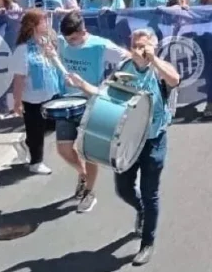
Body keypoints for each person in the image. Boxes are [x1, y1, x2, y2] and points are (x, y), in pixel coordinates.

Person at [66, 29, 180, 266]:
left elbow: (174, 80)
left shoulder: (160, 70)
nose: (138, 50)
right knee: (123, 189)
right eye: (135, 45)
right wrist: (83, 85)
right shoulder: (124, 69)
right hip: (127, 142)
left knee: (151, 194)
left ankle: (147, 243)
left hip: (153, 141)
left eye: (144, 45)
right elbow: (104, 96)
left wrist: (153, 59)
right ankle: (141, 211)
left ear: (153, 47)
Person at [57, 11, 131, 213]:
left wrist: (111, 84)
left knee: (88, 152)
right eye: (67, 39)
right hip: (66, 102)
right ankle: (82, 174)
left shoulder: (100, 45)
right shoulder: (62, 42)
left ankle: (89, 192)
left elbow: (128, 59)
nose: (69, 43)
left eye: (73, 39)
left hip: (90, 102)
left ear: (83, 31)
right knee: (63, 149)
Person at [9, 10, 65, 174]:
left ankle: (26, 144)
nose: (47, 24)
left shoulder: (45, 42)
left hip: (50, 93)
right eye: (43, 22)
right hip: (32, 98)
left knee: (52, 125)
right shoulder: (23, 50)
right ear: (33, 25)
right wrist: (17, 102)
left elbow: (53, 64)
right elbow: (19, 78)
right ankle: (35, 162)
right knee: (36, 130)